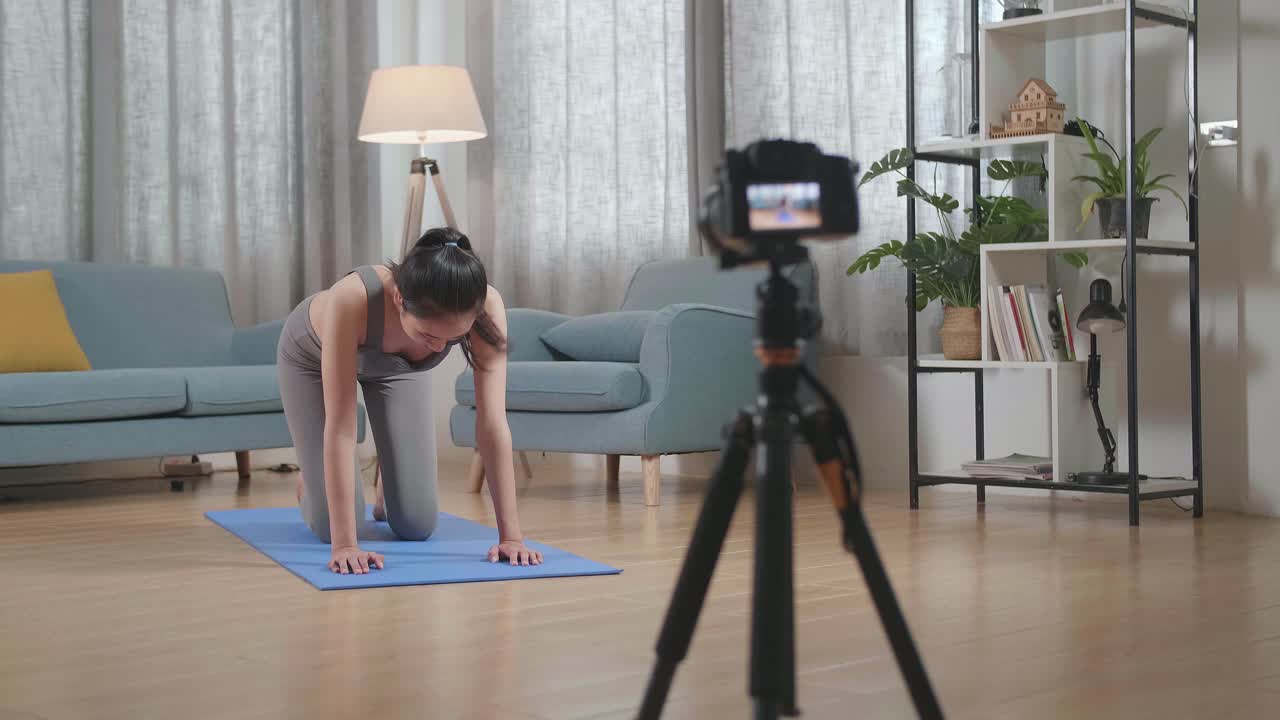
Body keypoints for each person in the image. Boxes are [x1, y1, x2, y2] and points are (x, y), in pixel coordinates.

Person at [276, 227, 542, 574]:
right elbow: (341, 427)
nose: (436, 349)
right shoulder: (351, 298)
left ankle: (393, 477)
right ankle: (310, 483)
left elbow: (492, 424)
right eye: (428, 335)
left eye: (452, 339)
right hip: (310, 355)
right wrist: (346, 546)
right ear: (400, 299)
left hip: (398, 368)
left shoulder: (484, 304)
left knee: (417, 525)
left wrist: (512, 537)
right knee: (330, 528)